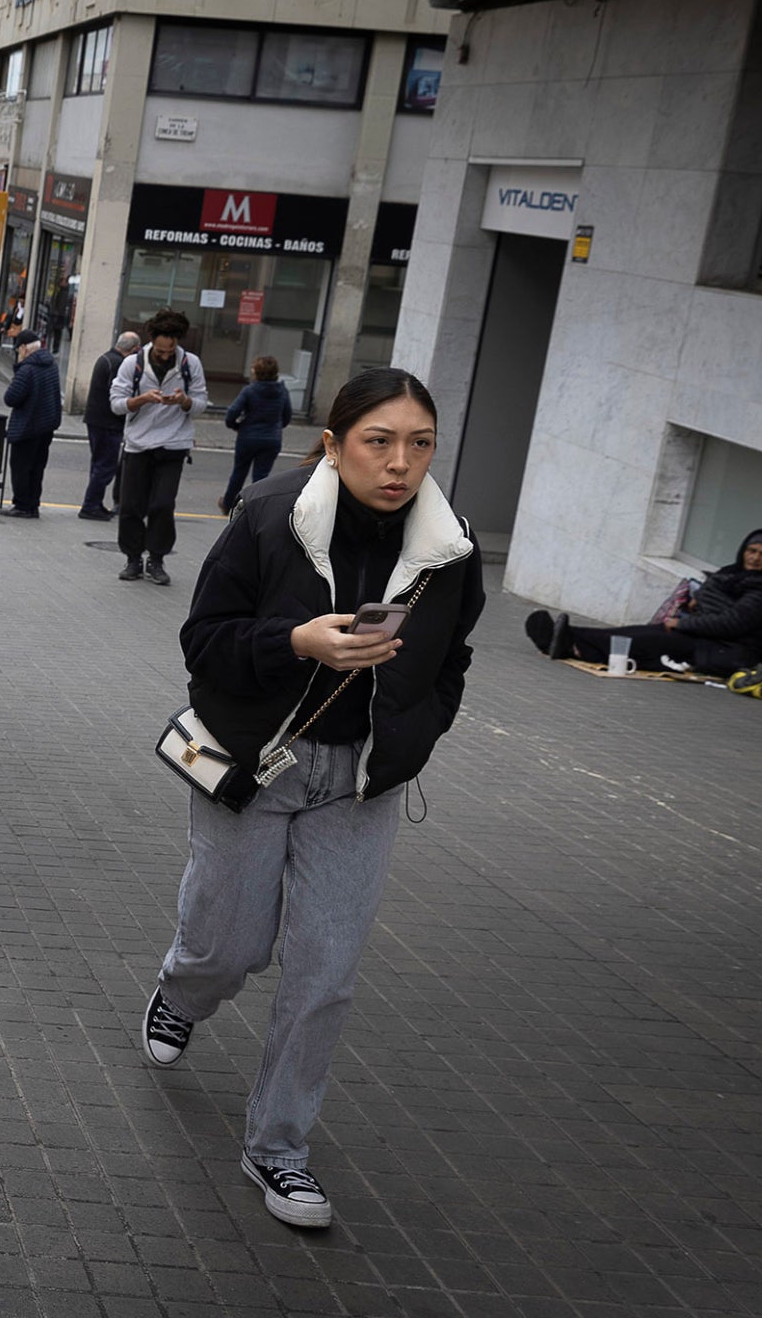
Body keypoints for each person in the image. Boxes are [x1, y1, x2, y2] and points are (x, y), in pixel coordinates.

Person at [145, 367, 484, 1231]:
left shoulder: (450, 547)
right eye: (379, 441)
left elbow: (453, 657)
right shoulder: (270, 514)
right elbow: (203, 640)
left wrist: (419, 732)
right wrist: (294, 641)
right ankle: (183, 993)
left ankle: (279, 1145)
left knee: (326, 969)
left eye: (420, 443)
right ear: (335, 444)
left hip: (361, 782)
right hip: (257, 762)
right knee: (230, 944)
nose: (400, 463)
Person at [525, 530, 762, 676]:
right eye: (751, 551)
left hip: (725, 650)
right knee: (636, 633)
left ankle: (570, 643)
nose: (755, 558)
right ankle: (569, 639)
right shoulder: (735, 574)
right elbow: (716, 600)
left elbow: (732, 623)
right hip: (705, 636)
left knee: (648, 640)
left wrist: (684, 621)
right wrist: (695, 606)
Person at [110, 309, 207, 585]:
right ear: (152, 341)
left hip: (174, 444)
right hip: (138, 444)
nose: (166, 355)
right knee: (130, 506)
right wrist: (141, 399)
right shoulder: (133, 364)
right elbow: (116, 404)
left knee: (162, 504)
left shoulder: (191, 364)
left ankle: (157, 559)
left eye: (170, 350)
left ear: (177, 342)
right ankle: (132, 559)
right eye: (161, 351)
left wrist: (184, 401)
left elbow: (201, 404)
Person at [75, 330, 139, 521]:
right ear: (134, 349)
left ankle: (95, 503)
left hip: (96, 420)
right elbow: (118, 393)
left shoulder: (106, 358)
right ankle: (90, 505)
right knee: (105, 466)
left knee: (99, 464)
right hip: (107, 422)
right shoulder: (118, 364)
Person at [0, 328, 61, 517]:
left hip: (27, 426)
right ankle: (33, 505)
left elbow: (11, 398)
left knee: (21, 467)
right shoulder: (51, 365)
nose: (18, 353)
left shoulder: (27, 369)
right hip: (46, 425)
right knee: (37, 467)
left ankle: (22, 505)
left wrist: (18, 368)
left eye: (18, 350)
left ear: (25, 348)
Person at [219, 356, 293, 513]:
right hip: (271, 439)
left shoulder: (250, 390)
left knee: (239, 472)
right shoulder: (282, 391)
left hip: (248, 437)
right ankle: (257, 508)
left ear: (256, 373)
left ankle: (227, 504)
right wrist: (277, 427)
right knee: (261, 475)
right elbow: (287, 416)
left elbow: (232, 412)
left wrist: (235, 425)